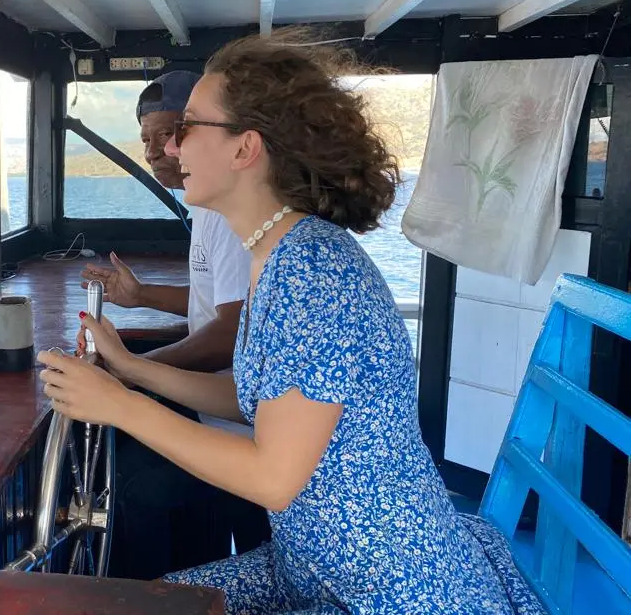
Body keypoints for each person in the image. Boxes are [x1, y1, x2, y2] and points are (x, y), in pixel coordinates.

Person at [42, 31, 542, 614]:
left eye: (188, 127)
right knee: (143, 604)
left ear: (244, 148)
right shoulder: (278, 254)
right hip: (310, 566)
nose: (173, 147)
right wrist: (130, 369)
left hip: (387, 586)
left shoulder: (311, 268)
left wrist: (119, 405)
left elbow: (274, 479)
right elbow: (255, 399)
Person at [80, 70, 270, 580]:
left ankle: (155, 593)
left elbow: (231, 333)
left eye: (176, 133)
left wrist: (128, 371)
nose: (160, 150)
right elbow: (220, 307)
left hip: (247, 441)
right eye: (149, 139)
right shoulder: (212, 209)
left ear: (243, 145)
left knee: (129, 482)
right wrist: (140, 299)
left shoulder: (243, 224)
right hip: (232, 415)